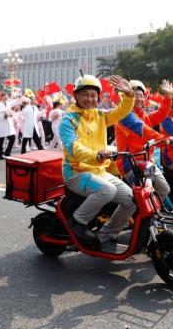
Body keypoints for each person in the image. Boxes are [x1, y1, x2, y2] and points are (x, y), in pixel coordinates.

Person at [59, 74, 135, 249]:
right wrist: (96, 155)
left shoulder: (100, 115)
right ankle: (78, 222)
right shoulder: (68, 120)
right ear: (75, 95)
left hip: (99, 171)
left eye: (93, 95)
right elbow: (74, 148)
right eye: (85, 94)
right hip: (76, 172)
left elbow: (120, 112)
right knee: (107, 190)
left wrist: (129, 95)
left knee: (131, 198)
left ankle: (108, 232)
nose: (90, 99)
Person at [115, 79, 173, 199]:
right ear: (126, 97)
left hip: (147, 162)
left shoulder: (143, 115)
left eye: (141, 96)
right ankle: (141, 215)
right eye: (135, 96)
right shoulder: (124, 115)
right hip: (131, 163)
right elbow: (143, 129)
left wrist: (168, 97)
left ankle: (151, 214)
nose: (139, 99)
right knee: (143, 197)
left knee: (164, 189)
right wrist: (165, 140)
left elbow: (161, 114)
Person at [0, 92, 16, 159]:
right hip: (0, 124)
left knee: (12, 138)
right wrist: (4, 115)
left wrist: (22, 97)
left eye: (7, 96)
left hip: (8, 125)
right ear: (1, 97)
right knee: (0, 140)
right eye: (4, 96)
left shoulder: (8, 103)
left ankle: (7, 152)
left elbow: (15, 102)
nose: (6, 97)